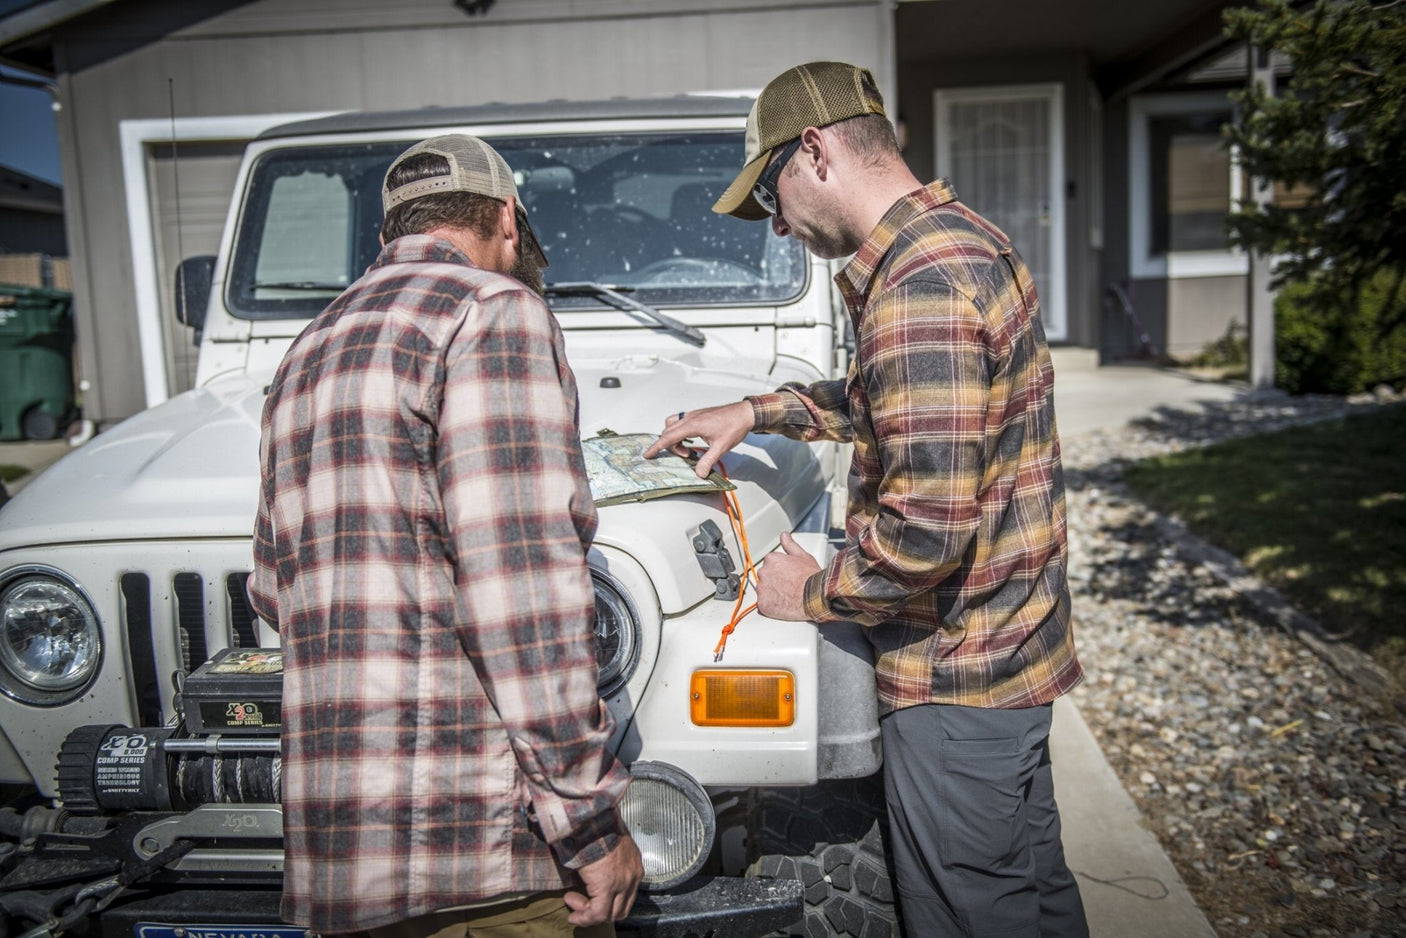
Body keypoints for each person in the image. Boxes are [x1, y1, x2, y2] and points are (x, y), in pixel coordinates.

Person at [645, 62, 1088, 937]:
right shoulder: (962, 240)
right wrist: (761, 410)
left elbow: (923, 537)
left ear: (814, 149)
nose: (775, 221)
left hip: (956, 683)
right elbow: (904, 401)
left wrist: (804, 593)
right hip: (1012, 653)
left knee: (973, 915)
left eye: (771, 193)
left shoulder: (917, 287)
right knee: (1033, 896)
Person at [250, 134, 642, 938]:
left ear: (390, 230)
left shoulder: (307, 351)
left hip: (343, 861)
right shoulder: (492, 312)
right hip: (483, 862)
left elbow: (272, 592)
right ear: (506, 216)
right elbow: (520, 602)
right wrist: (591, 824)